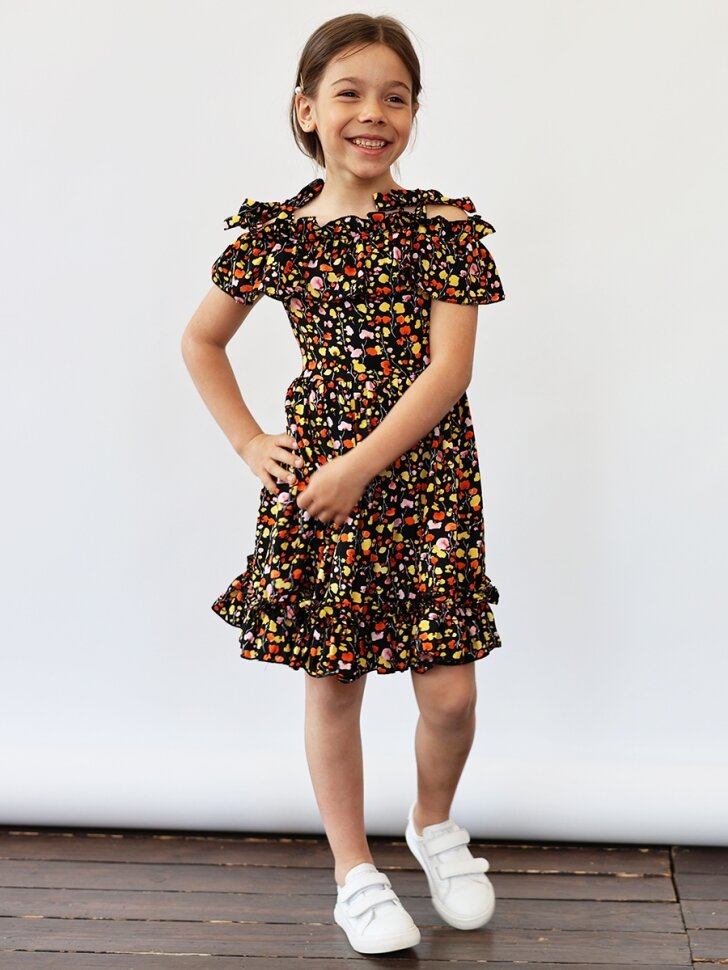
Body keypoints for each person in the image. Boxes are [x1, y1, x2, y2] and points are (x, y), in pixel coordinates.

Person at [181, 11, 506, 957]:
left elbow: (448, 371)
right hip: (319, 484)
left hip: (424, 481)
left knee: (449, 692)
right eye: (350, 94)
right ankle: (353, 873)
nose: (374, 113)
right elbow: (201, 341)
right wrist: (251, 442)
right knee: (334, 682)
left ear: (413, 114)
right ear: (307, 110)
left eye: (395, 97)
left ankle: (433, 823)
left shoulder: (446, 229)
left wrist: (360, 468)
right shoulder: (276, 237)